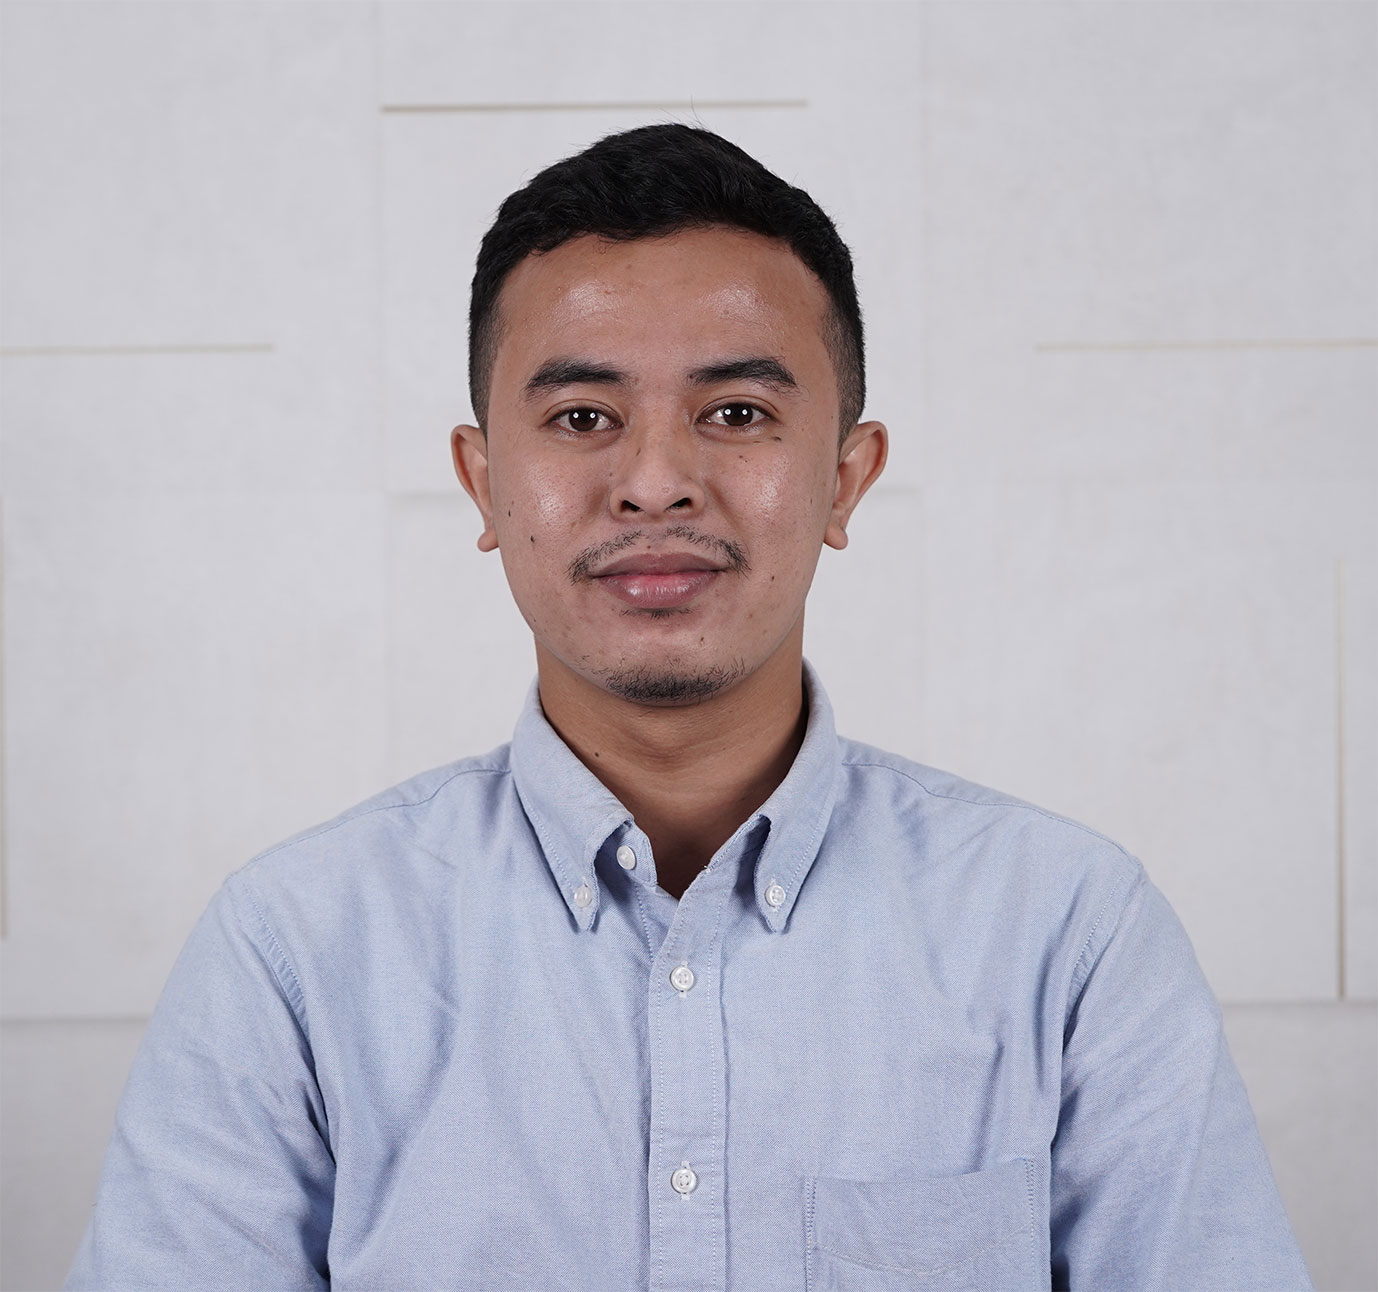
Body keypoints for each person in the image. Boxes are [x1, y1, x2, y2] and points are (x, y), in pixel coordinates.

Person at [67, 124, 1312, 1291]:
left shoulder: (1068, 935)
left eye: (735, 413)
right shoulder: (295, 953)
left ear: (845, 476)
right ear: (484, 483)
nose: (656, 481)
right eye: (581, 416)